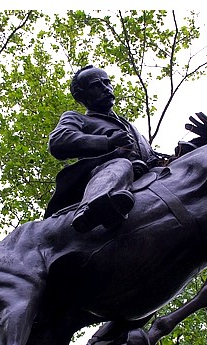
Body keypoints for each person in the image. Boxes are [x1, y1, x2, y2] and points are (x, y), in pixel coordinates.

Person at [45, 65, 165, 233]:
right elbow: (59, 140)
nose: (106, 88)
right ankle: (92, 207)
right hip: (104, 173)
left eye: (107, 83)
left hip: (144, 177)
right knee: (120, 165)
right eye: (96, 85)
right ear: (81, 95)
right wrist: (107, 142)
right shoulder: (76, 118)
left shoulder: (129, 126)